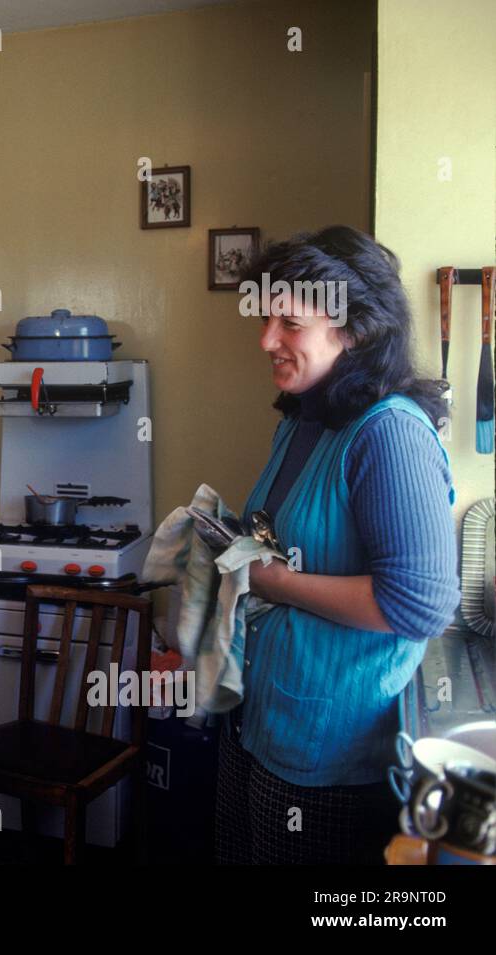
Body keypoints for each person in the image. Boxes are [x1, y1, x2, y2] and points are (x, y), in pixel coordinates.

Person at [216, 225, 460, 864]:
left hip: (328, 750)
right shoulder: (306, 419)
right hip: (261, 718)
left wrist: (269, 580)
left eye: (289, 324)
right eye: (267, 318)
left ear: (353, 331)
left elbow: (418, 605)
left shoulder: (390, 437)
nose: (266, 339)